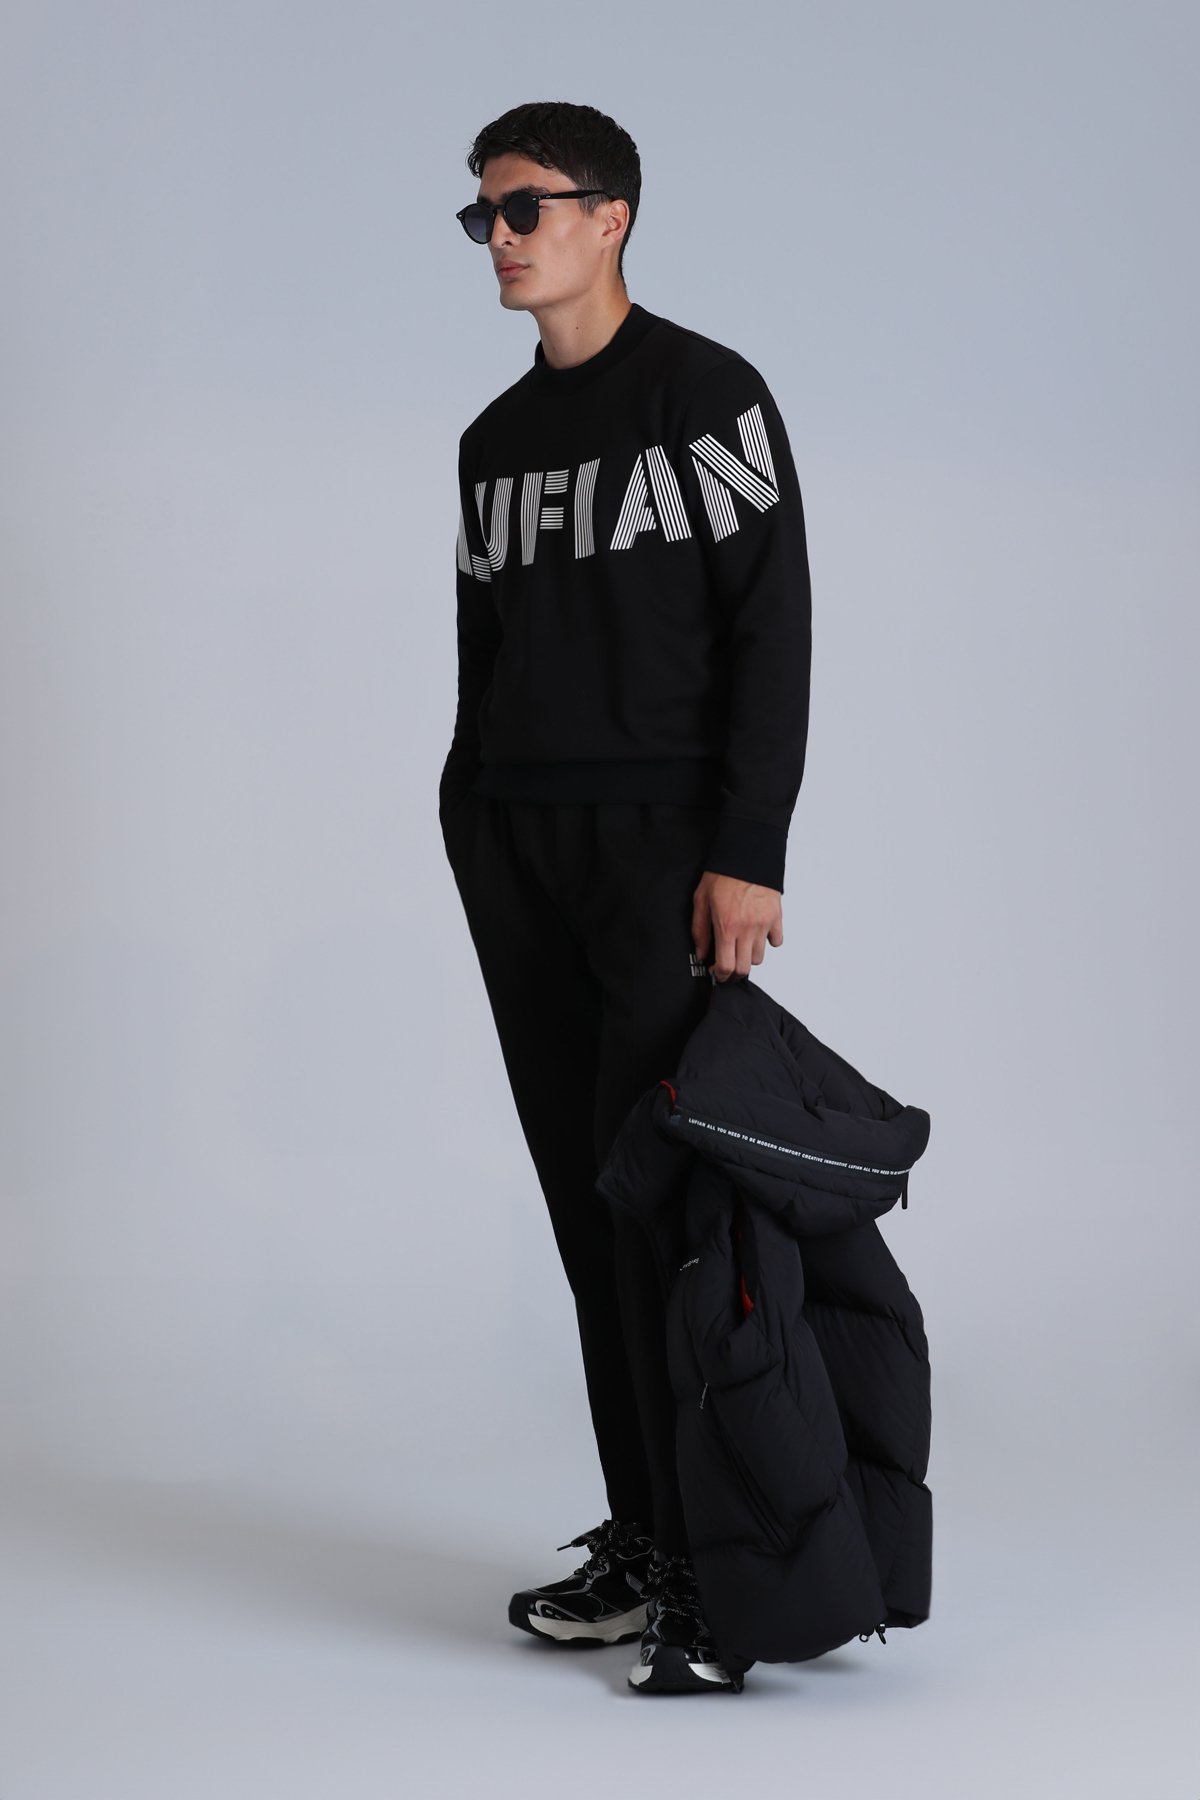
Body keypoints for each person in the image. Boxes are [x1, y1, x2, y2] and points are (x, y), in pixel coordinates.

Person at [440, 100, 812, 1696]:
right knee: (592, 1211)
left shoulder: (704, 395)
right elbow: (485, 656)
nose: (500, 237)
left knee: (671, 1217)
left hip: (662, 850)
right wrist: (468, 815)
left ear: (613, 216)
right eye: (483, 215)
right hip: (517, 850)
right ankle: (652, 1539)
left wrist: (750, 846)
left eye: (524, 207)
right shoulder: (491, 444)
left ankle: (728, 1579)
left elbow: (772, 626)